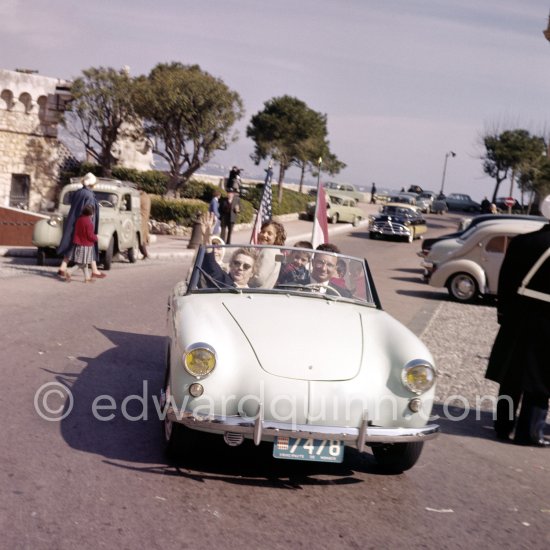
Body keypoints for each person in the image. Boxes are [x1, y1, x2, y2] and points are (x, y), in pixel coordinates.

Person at [485, 195, 550, 447]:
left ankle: (502, 426)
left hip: (518, 316)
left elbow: (505, 281)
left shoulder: (523, 242)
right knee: (540, 379)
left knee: (511, 374)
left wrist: (504, 314)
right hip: (548, 322)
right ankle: (529, 433)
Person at [57, 172, 106, 280]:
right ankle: (92, 271)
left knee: (73, 245)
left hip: (74, 221)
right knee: (88, 244)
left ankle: (64, 267)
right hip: (84, 223)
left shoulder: (78, 192)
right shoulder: (89, 195)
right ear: (92, 184)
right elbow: (89, 210)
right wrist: (91, 225)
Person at [65, 204, 97, 283]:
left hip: (79, 244)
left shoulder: (79, 220)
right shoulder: (89, 223)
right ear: (91, 214)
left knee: (84, 262)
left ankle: (87, 278)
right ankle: (69, 271)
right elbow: (90, 235)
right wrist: (96, 237)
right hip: (86, 245)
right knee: (82, 263)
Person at [249, 220, 287, 288]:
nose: (264, 235)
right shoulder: (276, 251)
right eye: (263, 231)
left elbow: (259, 280)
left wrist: (244, 280)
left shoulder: (269, 251)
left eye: (269, 233)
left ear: (276, 236)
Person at [139, 190, 151, 259]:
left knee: (141, 238)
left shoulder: (141, 198)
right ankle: (145, 254)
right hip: (144, 219)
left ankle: (145, 254)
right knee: (142, 237)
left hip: (141, 219)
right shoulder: (146, 197)